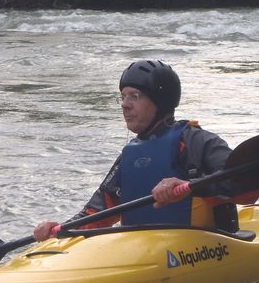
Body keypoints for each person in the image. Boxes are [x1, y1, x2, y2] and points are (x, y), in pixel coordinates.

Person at [34, 59, 256, 241]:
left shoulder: (196, 141)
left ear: (160, 102)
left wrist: (190, 188)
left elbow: (245, 188)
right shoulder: (130, 156)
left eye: (135, 96)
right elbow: (98, 211)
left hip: (200, 247)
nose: (125, 104)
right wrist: (61, 229)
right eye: (123, 97)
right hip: (140, 247)